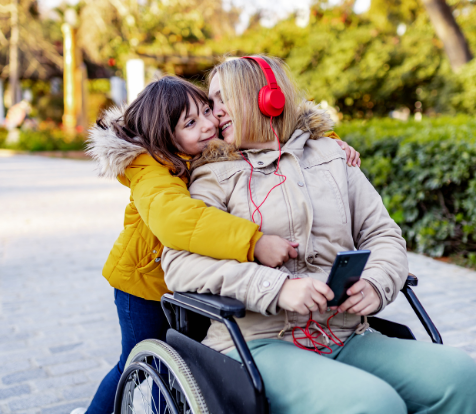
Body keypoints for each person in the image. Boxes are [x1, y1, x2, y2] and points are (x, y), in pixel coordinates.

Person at [162, 56, 476, 414]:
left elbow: (383, 234)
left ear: (267, 98)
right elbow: (179, 264)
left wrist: (378, 282)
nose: (214, 113)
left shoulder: (333, 156)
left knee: (460, 375)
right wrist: (278, 288)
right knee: (374, 404)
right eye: (210, 103)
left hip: (344, 333)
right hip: (258, 341)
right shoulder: (213, 175)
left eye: (224, 99)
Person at [75, 75, 361, 414]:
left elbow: (269, 123)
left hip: (192, 285)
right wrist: (253, 242)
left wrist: (325, 138)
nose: (210, 124)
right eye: (191, 122)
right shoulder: (148, 167)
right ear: (164, 134)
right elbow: (178, 220)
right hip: (144, 286)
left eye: (207, 111)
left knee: (185, 364)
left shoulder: (203, 148)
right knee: (137, 359)